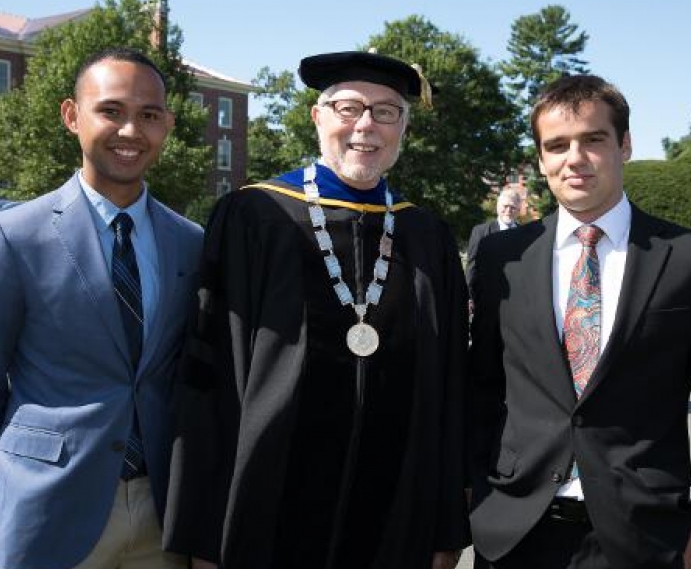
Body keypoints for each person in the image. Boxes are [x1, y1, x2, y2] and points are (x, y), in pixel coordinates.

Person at [162, 51, 469, 569]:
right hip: (267, 507)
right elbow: (208, 375)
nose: (366, 125)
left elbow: (449, 392)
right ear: (317, 117)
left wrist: (445, 526)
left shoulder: (426, 237)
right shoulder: (254, 216)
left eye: (386, 112)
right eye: (348, 107)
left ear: (403, 128)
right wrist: (205, 532)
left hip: (394, 519)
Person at [466, 74, 691, 569]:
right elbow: (479, 391)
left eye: (593, 139)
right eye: (556, 145)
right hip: (513, 537)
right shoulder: (502, 257)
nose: (574, 158)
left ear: (624, 144)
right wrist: (476, 498)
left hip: (641, 541)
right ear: (541, 160)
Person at [0, 47, 203, 569]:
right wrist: (10, 496)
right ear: (72, 115)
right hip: (48, 512)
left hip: (163, 517)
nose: (131, 130)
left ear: (166, 126)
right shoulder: (10, 239)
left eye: (148, 115)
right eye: (111, 110)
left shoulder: (190, 242)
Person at [466, 188, 522, 283]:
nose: (508, 210)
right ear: (498, 206)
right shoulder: (481, 232)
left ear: (518, 210)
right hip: (488, 291)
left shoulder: (524, 233)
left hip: (518, 291)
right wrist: (470, 295)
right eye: (505, 206)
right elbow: (472, 266)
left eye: (513, 207)